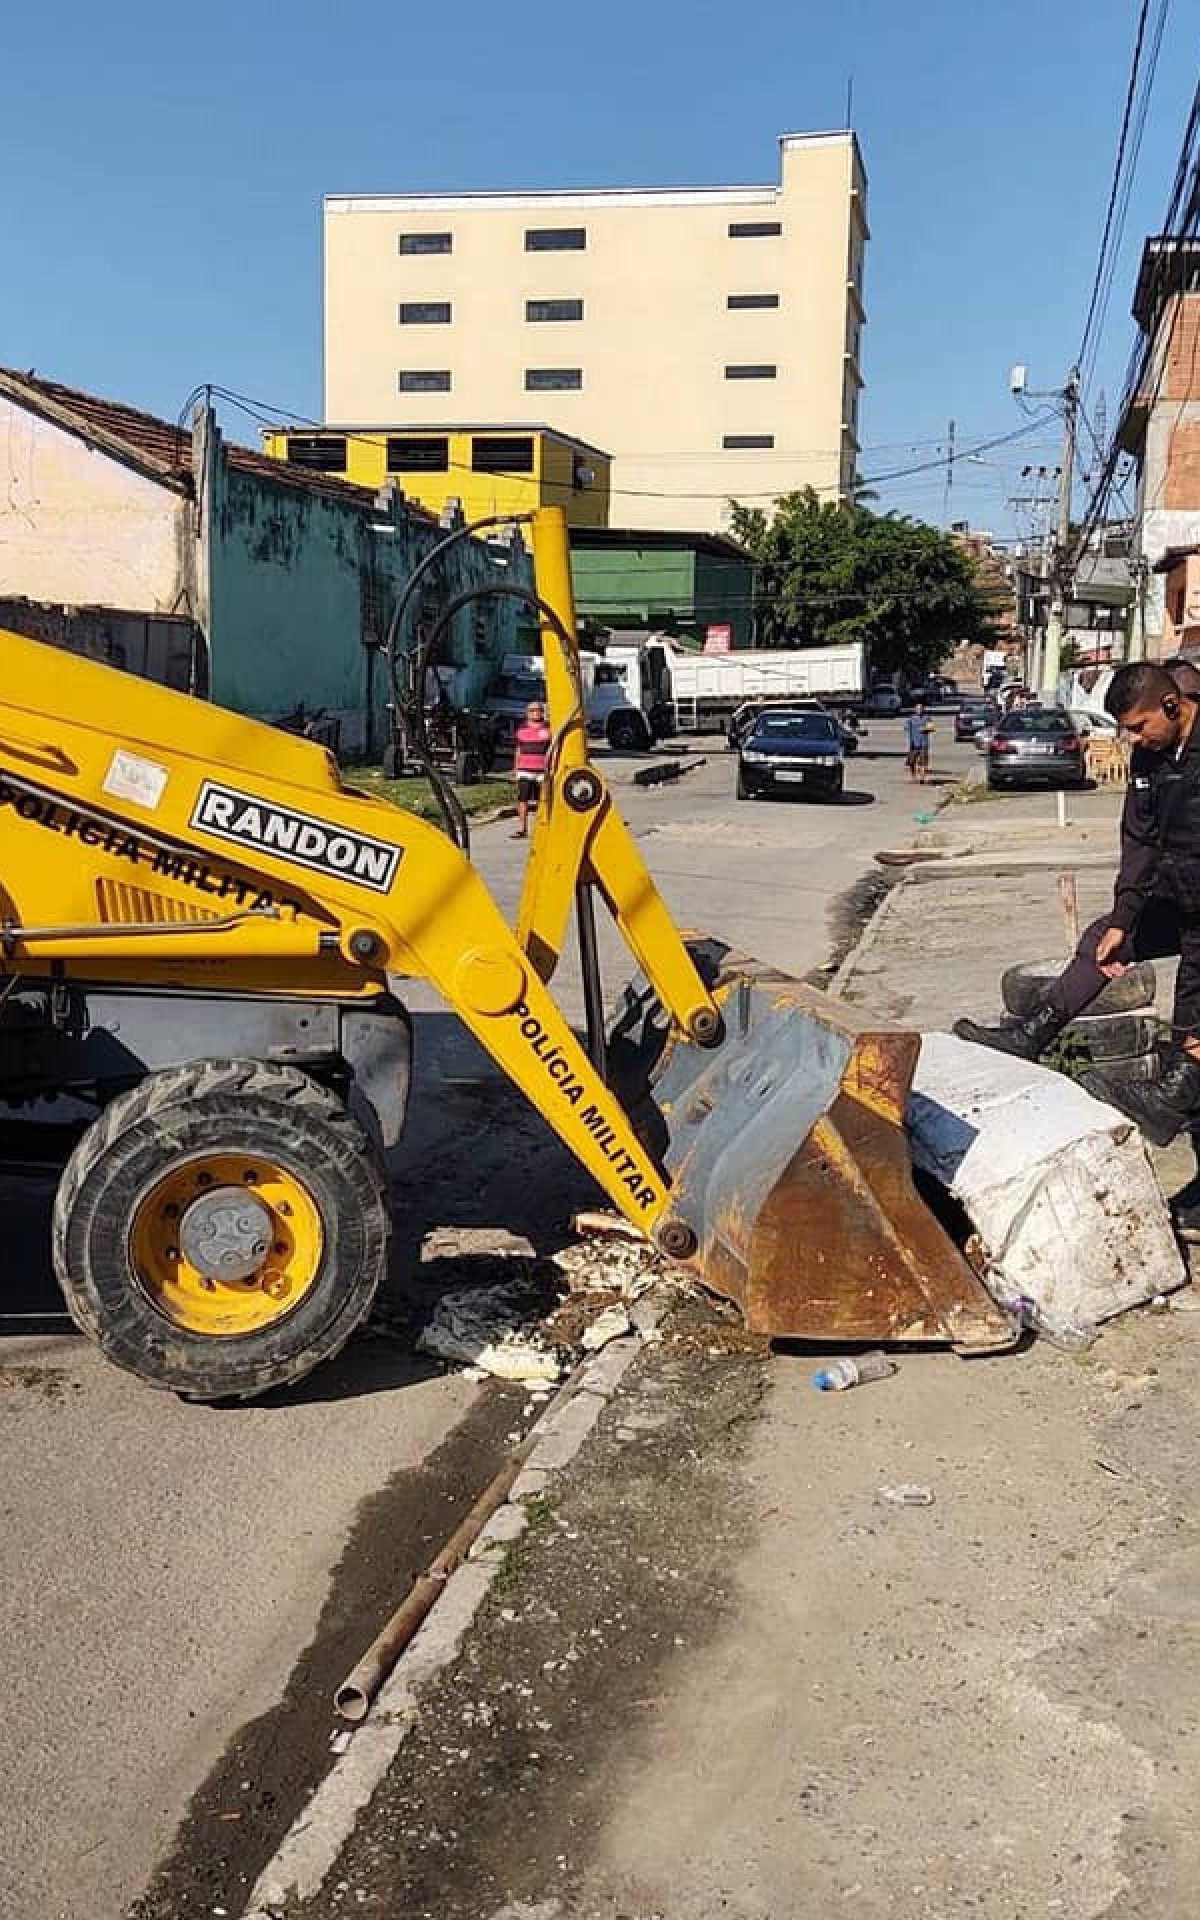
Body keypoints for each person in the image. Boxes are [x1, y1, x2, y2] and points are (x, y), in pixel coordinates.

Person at [953, 660, 1200, 1148]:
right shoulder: (1150, 759)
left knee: (1190, 1032)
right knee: (1104, 941)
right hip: (1177, 895)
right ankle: (1031, 1036)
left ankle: (1172, 1114)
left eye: (1137, 727)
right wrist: (1125, 916)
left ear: (1171, 706)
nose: (1130, 740)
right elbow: (1139, 842)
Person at [512, 699, 551, 839]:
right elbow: (518, 749)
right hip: (525, 770)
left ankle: (543, 828)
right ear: (527, 713)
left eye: (538, 710)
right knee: (523, 800)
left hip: (542, 771)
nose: (535, 713)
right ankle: (522, 829)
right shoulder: (521, 730)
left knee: (544, 800)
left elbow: (552, 750)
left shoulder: (548, 729)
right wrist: (516, 767)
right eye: (532, 710)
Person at [905, 703, 933, 783]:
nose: (919, 710)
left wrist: (924, 728)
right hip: (913, 743)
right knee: (911, 762)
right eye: (918, 709)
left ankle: (922, 778)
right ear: (915, 710)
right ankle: (913, 776)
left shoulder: (927, 718)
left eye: (921, 708)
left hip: (923, 743)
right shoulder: (911, 719)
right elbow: (906, 727)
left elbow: (932, 728)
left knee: (923, 762)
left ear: (923, 709)